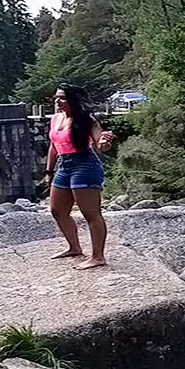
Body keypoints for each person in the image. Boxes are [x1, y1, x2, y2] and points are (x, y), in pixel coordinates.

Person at [46, 84, 116, 270]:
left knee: (91, 213)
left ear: (73, 100)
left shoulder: (87, 120)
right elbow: (53, 146)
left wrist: (104, 142)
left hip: (85, 165)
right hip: (64, 165)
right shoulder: (55, 119)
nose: (57, 101)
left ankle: (98, 256)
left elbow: (101, 144)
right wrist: (49, 171)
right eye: (56, 97)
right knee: (57, 210)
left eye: (62, 98)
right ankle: (74, 247)